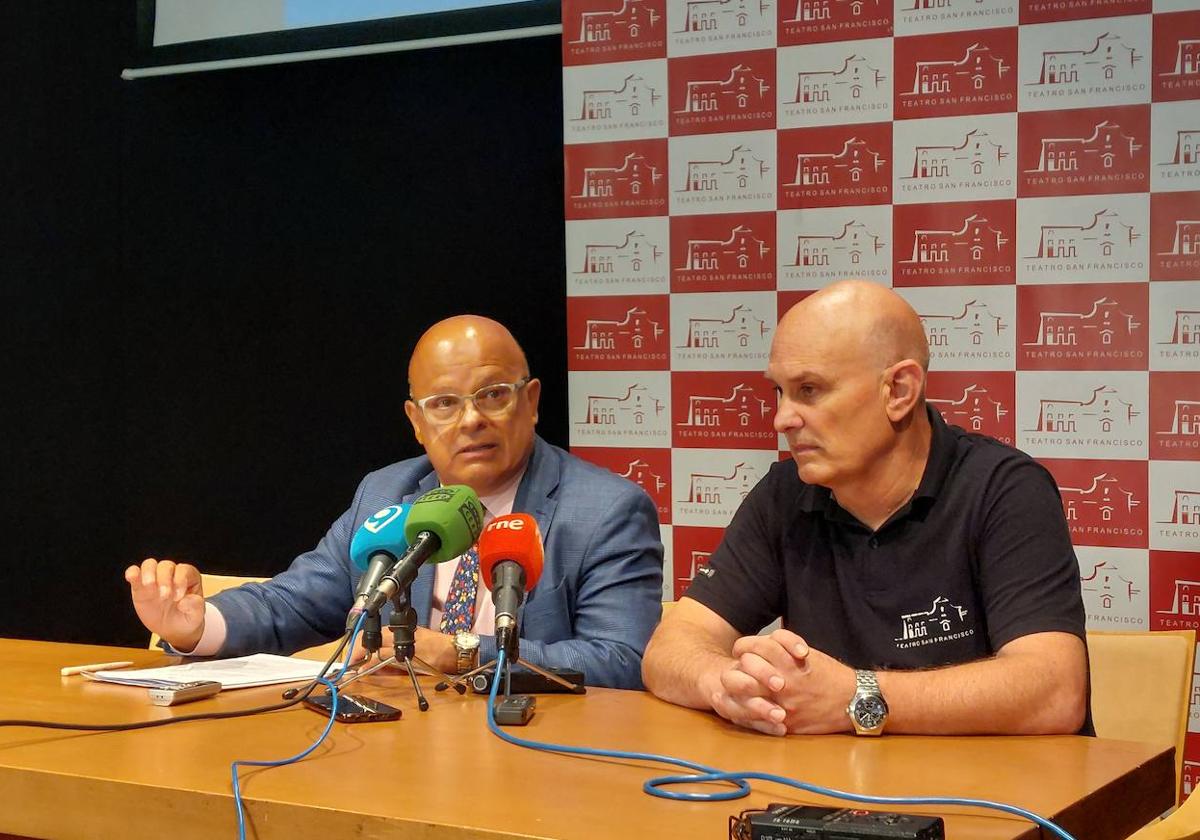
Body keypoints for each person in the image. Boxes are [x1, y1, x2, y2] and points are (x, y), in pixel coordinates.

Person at [641, 280, 1089, 735]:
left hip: (993, 795)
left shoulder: (1003, 488)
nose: (782, 419)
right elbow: (670, 649)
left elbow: (1054, 692)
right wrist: (726, 685)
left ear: (899, 390)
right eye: (780, 391)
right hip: (839, 793)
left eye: (810, 389)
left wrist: (857, 696)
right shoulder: (785, 493)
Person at [126, 315, 663, 689]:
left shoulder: (606, 510)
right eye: (445, 404)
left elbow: (622, 660)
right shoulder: (388, 494)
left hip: (534, 757)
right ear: (416, 423)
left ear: (532, 401)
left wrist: (461, 652)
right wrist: (196, 624)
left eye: (493, 395)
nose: (471, 420)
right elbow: (291, 602)